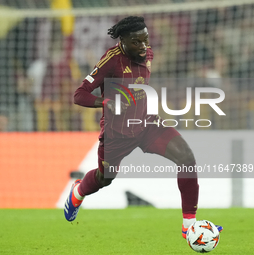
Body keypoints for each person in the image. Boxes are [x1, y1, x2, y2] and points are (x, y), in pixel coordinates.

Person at [64, 16, 223, 239]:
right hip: (117, 134)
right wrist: (105, 102)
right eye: (136, 42)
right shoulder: (110, 60)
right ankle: (78, 192)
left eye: (145, 40)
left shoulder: (148, 53)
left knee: (186, 158)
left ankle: (189, 225)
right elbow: (79, 95)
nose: (143, 47)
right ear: (123, 41)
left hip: (146, 124)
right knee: (105, 178)